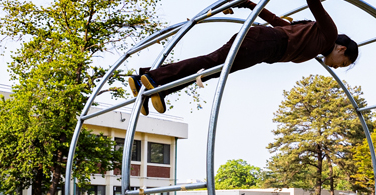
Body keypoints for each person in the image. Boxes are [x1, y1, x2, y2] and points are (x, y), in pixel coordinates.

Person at [128, 0, 359, 116]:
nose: (339, 67)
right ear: (342, 49)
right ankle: (152, 78)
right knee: (212, 63)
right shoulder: (329, 33)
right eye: (344, 64)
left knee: (213, 69)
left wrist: (248, 3)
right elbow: (313, 3)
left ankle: (155, 85)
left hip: (264, 45)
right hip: (265, 42)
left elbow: (276, 21)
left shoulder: (311, 37)